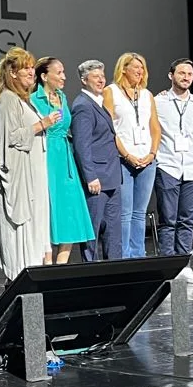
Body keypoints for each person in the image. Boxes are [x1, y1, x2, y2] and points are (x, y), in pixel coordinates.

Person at [0, 47, 60, 282]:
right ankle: (19, 281)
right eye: (25, 68)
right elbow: (10, 138)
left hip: (34, 175)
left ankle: (33, 278)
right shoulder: (8, 99)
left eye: (31, 67)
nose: (31, 72)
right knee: (21, 231)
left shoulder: (23, 100)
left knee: (36, 228)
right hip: (20, 176)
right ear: (12, 73)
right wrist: (42, 124)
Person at [30, 57, 95, 264]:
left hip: (65, 158)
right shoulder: (33, 99)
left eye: (63, 72)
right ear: (44, 76)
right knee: (50, 210)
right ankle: (47, 265)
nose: (64, 77)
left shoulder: (62, 97)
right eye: (58, 73)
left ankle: (61, 265)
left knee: (70, 210)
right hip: (47, 157)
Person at [154, 58, 193, 278]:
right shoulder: (158, 102)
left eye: (190, 74)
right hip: (168, 165)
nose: (186, 77)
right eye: (182, 73)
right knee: (168, 220)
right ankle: (168, 265)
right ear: (171, 76)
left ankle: (184, 265)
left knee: (187, 219)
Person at [103, 52, 161, 258]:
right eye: (135, 66)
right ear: (124, 69)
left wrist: (152, 153)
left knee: (140, 212)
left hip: (147, 160)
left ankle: (138, 255)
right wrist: (127, 155)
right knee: (125, 212)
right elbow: (109, 129)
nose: (140, 71)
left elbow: (155, 127)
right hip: (122, 160)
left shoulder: (147, 95)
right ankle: (124, 257)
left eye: (142, 67)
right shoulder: (110, 92)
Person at [70, 60, 123, 262]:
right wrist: (90, 176)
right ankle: (90, 270)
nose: (101, 80)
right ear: (84, 80)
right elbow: (82, 145)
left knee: (113, 231)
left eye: (102, 76)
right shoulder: (83, 106)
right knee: (92, 229)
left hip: (112, 176)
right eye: (95, 77)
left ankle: (114, 270)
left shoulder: (98, 102)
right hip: (97, 179)